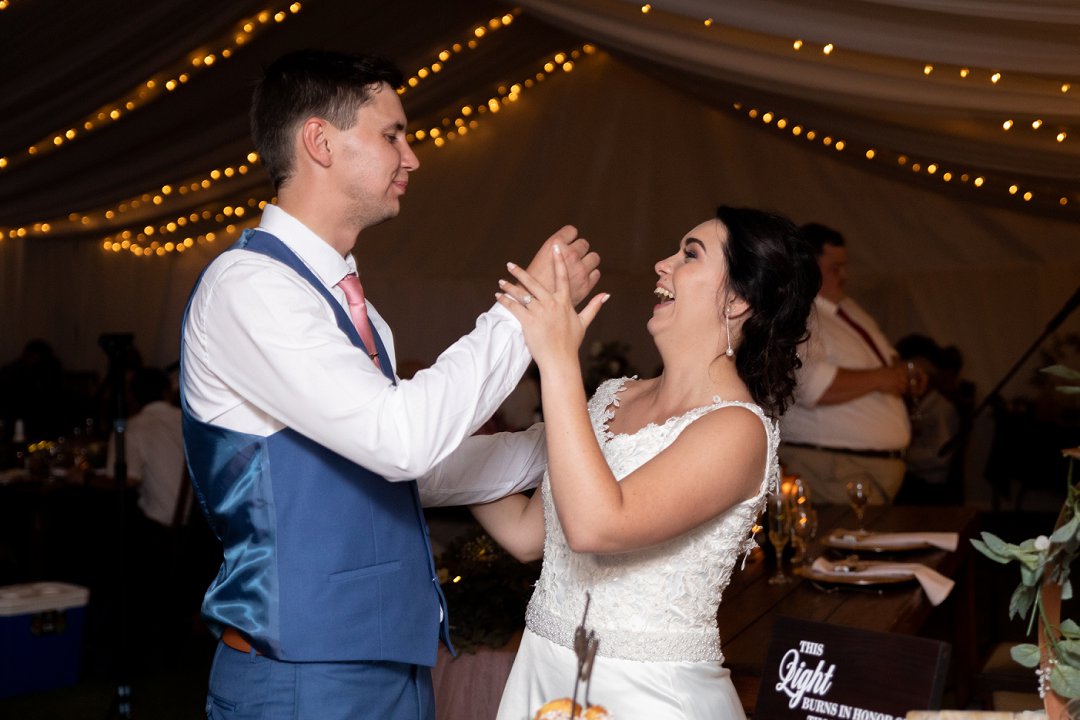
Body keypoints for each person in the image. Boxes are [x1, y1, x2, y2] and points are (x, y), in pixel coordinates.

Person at [180, 50, 600, 720]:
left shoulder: (355, 307)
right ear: (320, 142)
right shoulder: (249, 286)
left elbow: (411, 472)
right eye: (392, 135)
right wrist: (527, 312)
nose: (413, 158)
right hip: (303, 677)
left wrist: (584, 435)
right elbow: (400, 441)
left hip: (395, 665)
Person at [471, 207, 819, 719]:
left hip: (647, 695)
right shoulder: (613, 397)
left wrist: (559, 359)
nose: (662, 263)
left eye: (690, 255)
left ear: (737, 300)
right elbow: (527, 534)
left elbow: (596, 527)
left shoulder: (737, 429)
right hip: (544, 674)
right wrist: (436, 443)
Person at [778, 222, 924, 505]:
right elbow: (813, 386)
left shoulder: (847, 309)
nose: (845, 276)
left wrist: (904, 373)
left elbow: (887, 360)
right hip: (835, 469)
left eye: (844, 266)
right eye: (835, 268)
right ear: (805, 268)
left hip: (860, 470)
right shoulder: (796, 315)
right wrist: (882, 378)